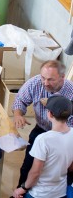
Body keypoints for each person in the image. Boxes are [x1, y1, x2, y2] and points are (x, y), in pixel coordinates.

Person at [12, 60, 73, 188]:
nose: (45, 83)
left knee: (65, 169)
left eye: (50, 79)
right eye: (43, 78)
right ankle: (21, 192)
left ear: (62, 77)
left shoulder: (71, 91)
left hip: (66, 135)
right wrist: (18, 115)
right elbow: (20, 100)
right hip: (42, 128)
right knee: (28, 165)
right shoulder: (34, 83)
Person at [12, 96, 73, 198]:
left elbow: (35, 173)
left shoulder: (43, 139)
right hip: (60, 192)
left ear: (50, 114)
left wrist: (23, 188)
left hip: (40, 193)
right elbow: (71, 167)